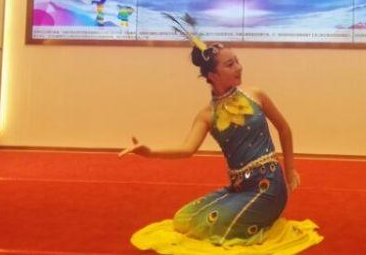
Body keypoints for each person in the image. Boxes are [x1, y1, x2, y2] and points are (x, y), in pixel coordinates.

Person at [119, 15, 322, 253]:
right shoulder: (207, 115)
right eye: (230, 65)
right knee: (183, 219)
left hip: (269, 185)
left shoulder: (255, 94)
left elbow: (284, 129)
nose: (239, 67)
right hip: (239, 187)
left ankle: (260, 214)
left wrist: (290, 170)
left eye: (237, 61)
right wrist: (150, 152)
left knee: (215, 228)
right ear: (213, 76)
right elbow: (187, 149)